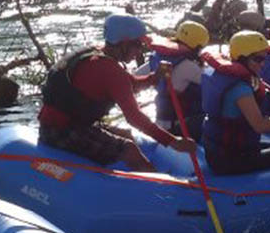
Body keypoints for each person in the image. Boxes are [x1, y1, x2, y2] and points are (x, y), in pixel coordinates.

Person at [38, 14, 196, 171]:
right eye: (137, 45)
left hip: (66, 124)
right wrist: (173, 142)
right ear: (124, 43)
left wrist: (156, 77)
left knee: (126, 134)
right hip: (60, 131)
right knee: (130, 150)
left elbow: (130, 85)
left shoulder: (99, 54)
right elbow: (134, 118)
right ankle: (159, 190)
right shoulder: (109, 69)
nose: (139, 51)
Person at [201, 30, 270, 175]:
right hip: (228, 159)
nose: (262, 64)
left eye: (264, 59)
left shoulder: (223, 74)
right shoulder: (240, 89)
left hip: (220, 149)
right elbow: (260, 125)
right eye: (257, 59)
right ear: (242, 58)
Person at [149, 21, 209, 141]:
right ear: (197, 48)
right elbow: (213, 84)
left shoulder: (159, 56)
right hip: (179, 126)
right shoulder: (188, 66)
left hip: (161, 120)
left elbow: (137, 74)